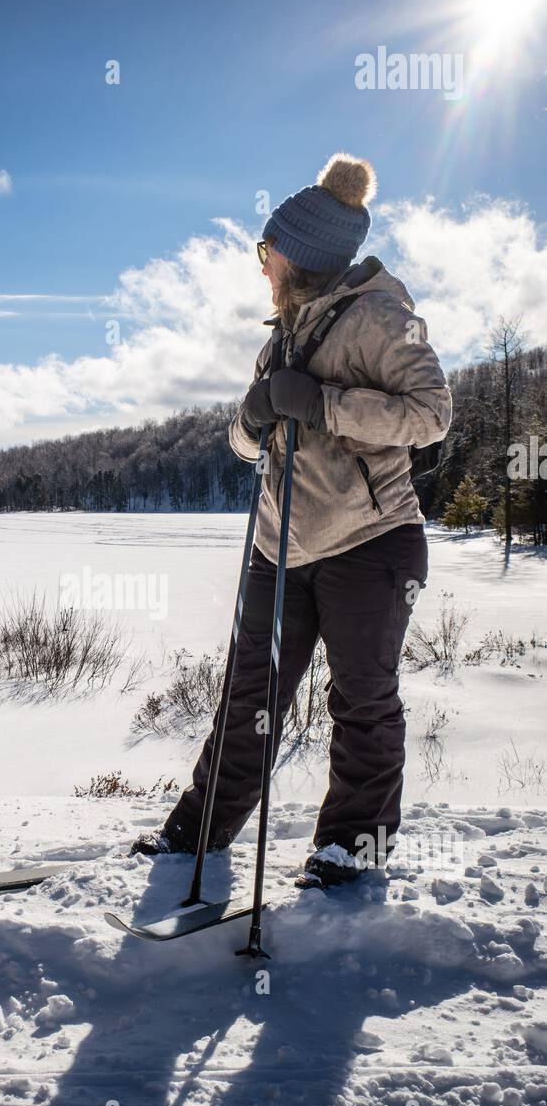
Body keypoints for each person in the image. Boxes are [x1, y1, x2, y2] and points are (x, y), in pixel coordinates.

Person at [132, 152, 453, 885]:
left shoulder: (380, 315)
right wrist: (251, 416)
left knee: (362, 699)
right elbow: (249, 444)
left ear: (300, 257)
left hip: (370, 542)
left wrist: (326, 406)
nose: (261, 265)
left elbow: (432, 414)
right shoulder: (280, 336)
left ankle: (350, 847)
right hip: (279, 546)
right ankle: (197, 833)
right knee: (250, 697)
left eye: (266, 252)